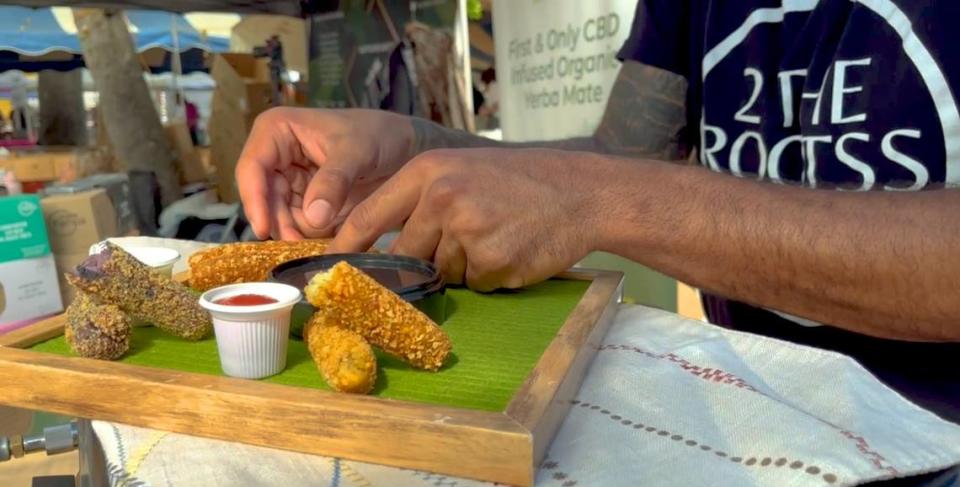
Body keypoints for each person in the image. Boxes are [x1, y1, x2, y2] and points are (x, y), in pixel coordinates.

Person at [236, 2, 960, 420]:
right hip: (753, 404)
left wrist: (601, 198)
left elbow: (609, 186)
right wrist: (416, 147)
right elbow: (623, 152)